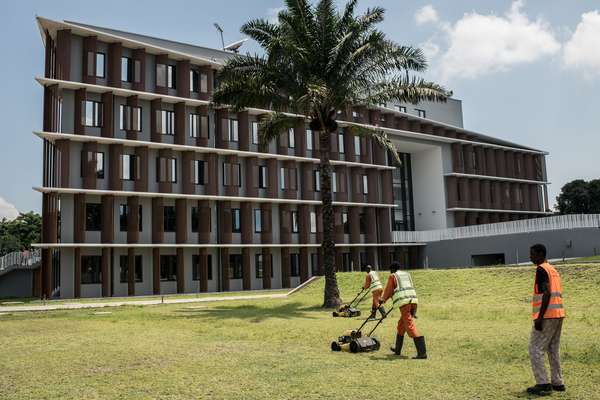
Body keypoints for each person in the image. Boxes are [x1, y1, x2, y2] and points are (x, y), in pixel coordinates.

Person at [526, 244, 566, 396]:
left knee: (535, 348)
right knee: (552, 349)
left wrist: (539, 317)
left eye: (532, 254)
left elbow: (547, 293)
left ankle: (543, 383)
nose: (530, 257)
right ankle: (558, 383)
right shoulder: (553, 269)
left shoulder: (541, 269)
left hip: (547, 315)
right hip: (558, 313)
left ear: (540, 254)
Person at [380, 261, 426, 359]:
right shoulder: (407, 274)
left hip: (404, 303)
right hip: (413, 300)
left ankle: (422, 353)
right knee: (401, 325)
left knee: (409, 326)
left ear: (392, 269)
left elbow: (389, 290)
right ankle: (397, 349)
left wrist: (382, 299)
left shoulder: (393, 276)